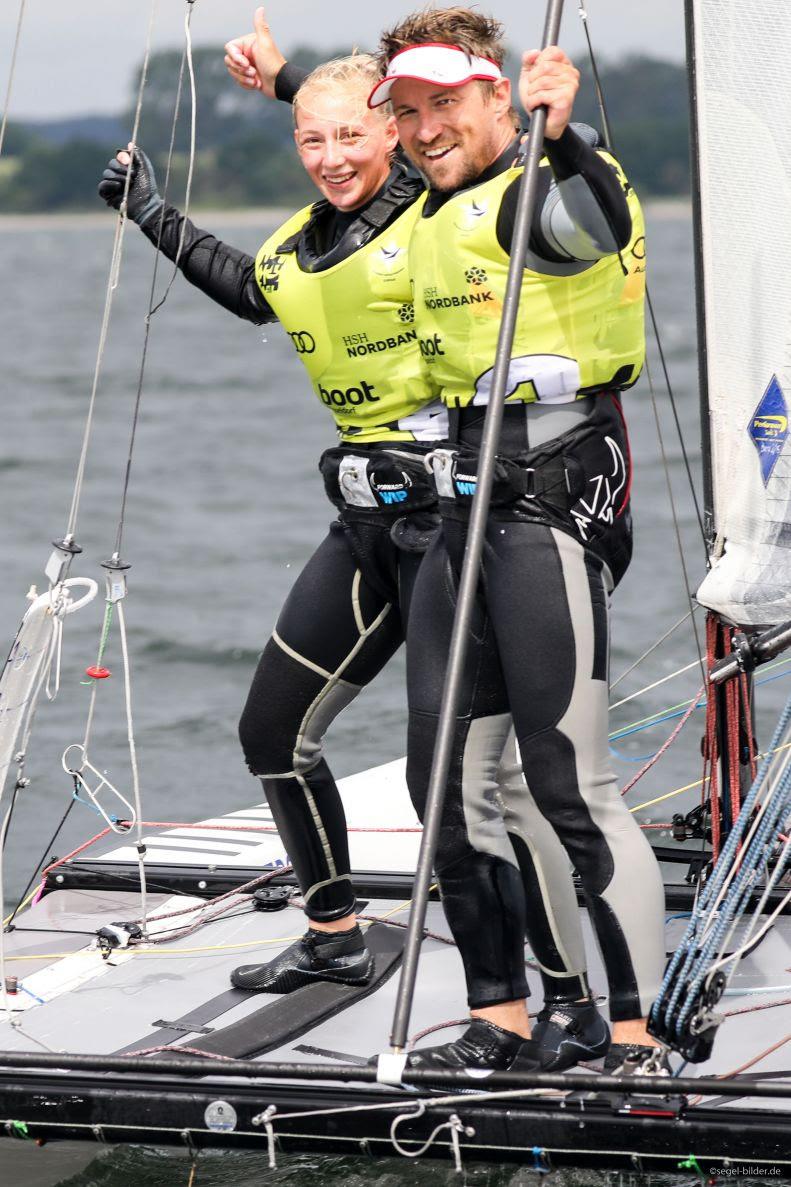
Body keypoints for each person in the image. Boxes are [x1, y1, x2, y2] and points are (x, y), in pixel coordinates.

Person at [96, 11, 608, 1073]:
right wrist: (153, 214)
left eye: (352, 137)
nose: (329, 157)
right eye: (309, 142)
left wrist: (298, 83)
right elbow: (256, 291)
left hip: (454, 528)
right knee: (272, 730)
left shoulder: (426, 203)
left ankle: (554, 996)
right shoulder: (301, 237)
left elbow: (426, 132)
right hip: (365, 526)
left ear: (398, 135)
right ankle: (333, 935)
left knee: (464, 782)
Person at [364, 7, 667, 1076]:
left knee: (564, 780)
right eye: (405, 111)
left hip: (549, 510)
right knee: (441, 780)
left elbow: (589, 216)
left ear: (495, 95)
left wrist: (562, 130)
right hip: (459, 518)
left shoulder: (535, 187)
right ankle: (499, 1013)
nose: (423, 127)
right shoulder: (437, 203)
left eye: (443, 103)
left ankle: (627, 1031)